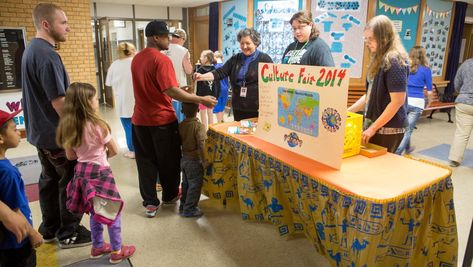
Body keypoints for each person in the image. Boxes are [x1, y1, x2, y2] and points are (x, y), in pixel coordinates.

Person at [21, 3, 91, 248]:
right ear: (46, 24)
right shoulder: (48, 55)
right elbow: (60, 102)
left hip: (41, 135)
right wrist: (81, 132)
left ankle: (50, 227)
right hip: (57, 136)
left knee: (49, 182)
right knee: (71, 184)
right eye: (64, 22)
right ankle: (69, 231)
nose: (69, 28)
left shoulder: (32, 49)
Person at [131, 20, 216, 218]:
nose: (170, 39)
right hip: (161, 121)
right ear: (156, 37)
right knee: (168, 161)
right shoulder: (161, 60)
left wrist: (180, 91)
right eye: (166, 36)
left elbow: (158, 87)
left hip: (139, 120)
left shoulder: (137, 58)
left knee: (145, 162)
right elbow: (170, 91)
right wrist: (200, 98)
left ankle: (150, 202)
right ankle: (169, 195)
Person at [57, 83, 136, 264]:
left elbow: (70, 156)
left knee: (94, 212)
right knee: (112, 211)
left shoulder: (67, 127)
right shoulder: (99, 125)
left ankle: (98, 246)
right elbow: (114, 150)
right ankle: (117, 250)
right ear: (86, 103)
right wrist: (101, 154)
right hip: (101, 174)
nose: (97, 100)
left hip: (82, 174)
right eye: (94, 98)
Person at [348, 15, 409, 153]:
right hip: (375, 123)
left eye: (371, 39)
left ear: (384, 37)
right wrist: (348, 112)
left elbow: (397, 102)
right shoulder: (378, 58)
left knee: (382, 168)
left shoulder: (394, 60)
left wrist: (373, 128)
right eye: (366, 38)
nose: (367, 42)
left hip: (389, 128)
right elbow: (369, 95)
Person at [195, 28, 273, 121]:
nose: (244, 46)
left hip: (257, 108)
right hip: (238, 106)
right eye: (242, 43)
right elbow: (220, 72)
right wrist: (201, 76)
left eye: (248, 43)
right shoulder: (235, 59)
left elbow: (271, 84)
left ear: (256, 43)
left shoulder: (264, 59)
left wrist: (267, 106)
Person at [0, 109, 44, 267]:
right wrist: (32, 233)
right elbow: (15, 209)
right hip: (18, 240)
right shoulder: (7, 172)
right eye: (14, 129)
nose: (19, 132)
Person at [395, 46, 433, 155]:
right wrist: (429, 102)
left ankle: (407, 148)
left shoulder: (405, 66)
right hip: (417, 103)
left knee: (403, 127)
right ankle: (397, 153)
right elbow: (429, 92)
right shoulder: (426, 69)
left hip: (403, 100)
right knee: (408, 130)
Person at [106, 42, 137, 159]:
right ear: (133, 50)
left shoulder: (114, 65)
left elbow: (108, 83)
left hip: (122, 101)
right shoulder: (136, 62)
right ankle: (143, 149)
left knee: (128, 127)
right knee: (139, 126)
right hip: (138, 101)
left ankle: (133, 151)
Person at [178, 103, 207, 217]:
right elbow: (201, 144)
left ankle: (183, 205)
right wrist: (204, 161)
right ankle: (190, 209)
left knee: (185, 184)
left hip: (184, 159)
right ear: (198, 110)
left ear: (182, 111)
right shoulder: (199, 126)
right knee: (195, 185)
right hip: (195, 160)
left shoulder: (181, 125)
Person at [164, 29, 193, 122]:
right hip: (177, 89)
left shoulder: (162, 48)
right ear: (182, 39)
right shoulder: (183, 51)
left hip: (162, 90)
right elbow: (189, 71)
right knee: (177, 119)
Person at [448, 58, 473, 167]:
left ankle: (455, 159)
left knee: (462, 133)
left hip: (464, 102)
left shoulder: (466, 63)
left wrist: (462, 92)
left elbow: (457, 83)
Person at [196, 50, 220, 130]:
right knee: (210, 113)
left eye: (201, 56)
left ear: (206, 58)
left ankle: (204, 130)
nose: (200, 58)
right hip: (212, 96)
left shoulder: (200, 70)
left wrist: (197, 95)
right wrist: (217, 95)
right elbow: (217, 84)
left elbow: (198, 85)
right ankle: (210, 131)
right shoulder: (215, 70)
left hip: (203, 97)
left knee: (203, 114)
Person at [212, 51, 230, 123]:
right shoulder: (225, 66)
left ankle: (219, 123)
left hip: (218, 90)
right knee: (222, 107)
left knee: (218, 108)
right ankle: (221, 120)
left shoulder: (213, 67)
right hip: (225, 89)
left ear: (215, 57)